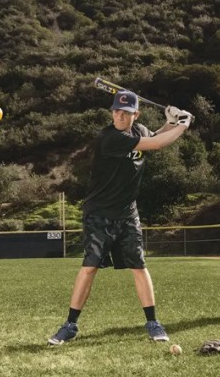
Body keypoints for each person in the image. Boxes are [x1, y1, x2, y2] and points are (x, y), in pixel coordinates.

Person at [48, 91, 191, 346]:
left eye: (125, 112)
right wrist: (183, 124)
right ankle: (70, 325)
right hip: (99, 214)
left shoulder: (140, 131)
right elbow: (157, 145)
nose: (119, 115)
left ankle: (152, 322)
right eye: (116, 111)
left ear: (136, 114)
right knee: (90, 267)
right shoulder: (109, 137)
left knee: (139, 266)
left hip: (127, 214)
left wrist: (170, 122)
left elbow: (155, 137)